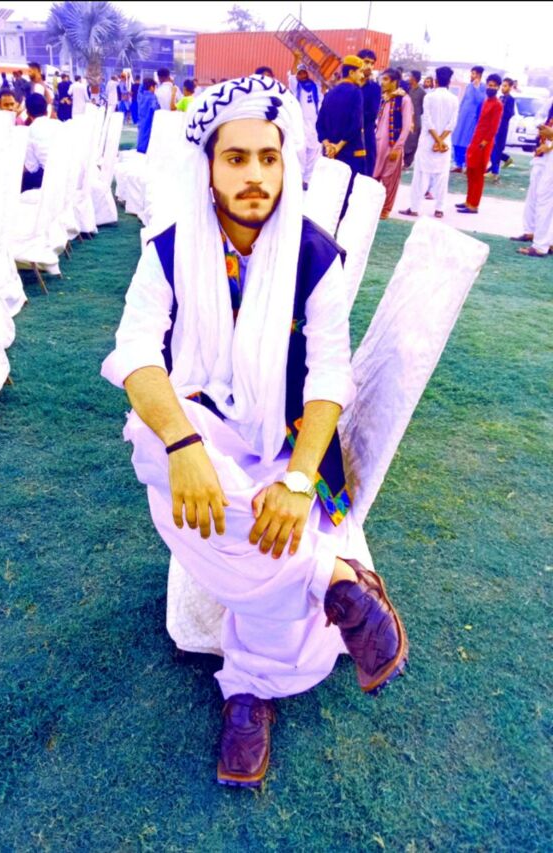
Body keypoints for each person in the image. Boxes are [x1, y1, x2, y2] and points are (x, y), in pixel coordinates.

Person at [101, 74, 408, 789]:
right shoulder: (168, 249)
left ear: (285, 163)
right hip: (204, 440)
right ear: (208, 166)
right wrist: (185, 447)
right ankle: (330, 578)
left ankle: (250, 687)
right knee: (149, 435)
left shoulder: (314, 256)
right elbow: (136, 352)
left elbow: (329, 376)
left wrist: (298, 481)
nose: (255, 176)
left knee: (256, 540)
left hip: (286, 448)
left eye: (269, 158)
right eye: (236, 158)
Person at [399, 66, 459, 219]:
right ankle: (439, 209)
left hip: (428, 141)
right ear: (449, 82)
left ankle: (414, 208)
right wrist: (441, 141)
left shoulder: (429, 97)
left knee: (420, 175)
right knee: (442, 176)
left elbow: (427, 121)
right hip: (444, 143)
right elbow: (452, 123)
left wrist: (436, 140)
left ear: (436, 81)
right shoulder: (454, 99)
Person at [316, 55, 366, 218]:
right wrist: (338, 146)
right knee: (349, 195)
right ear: (351, 72)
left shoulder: (330, 93)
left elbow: (320, 123)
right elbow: (355, 125)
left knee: (330, 194)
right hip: (350, 153)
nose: (362, 75)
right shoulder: (356, 92)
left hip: (330, 154)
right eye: (360, 71)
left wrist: (328, 145)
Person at [456, 73, 503, 214]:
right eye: (489, 85)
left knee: (477, 173)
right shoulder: (485, 101)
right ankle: (469, 201)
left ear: (498, 87)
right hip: (475, 139)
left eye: (494, 86)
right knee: (470, 171)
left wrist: (484, 142)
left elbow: (494, 127)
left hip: (484, 143)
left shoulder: (498, 105)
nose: (491, 88)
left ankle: (474, 205)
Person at [510, 103, 553, 257]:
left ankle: (541, 245)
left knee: (545, 198)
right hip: (545, 154)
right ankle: (540, 238)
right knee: (538, 195)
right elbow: (541, 117)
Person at [373, 68, 413, 220]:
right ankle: (373, 205)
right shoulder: (384, 98)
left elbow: (406, 126)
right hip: (378, 144)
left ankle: (385, 209)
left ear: (394, 81)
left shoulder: (404, 100)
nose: (382, 83)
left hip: (392, 145)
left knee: (389, 180)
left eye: (386, 80)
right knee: (373, 176)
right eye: (382, 79)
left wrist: (397, 148)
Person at [288, 51, 321, 187]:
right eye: (300, 73)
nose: (302, 75)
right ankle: (299, 177)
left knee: (314, 152)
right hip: (301, 124)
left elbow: (322, 78)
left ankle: (307, 179)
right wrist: (296, 59)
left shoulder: (315, 86)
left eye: (304, 73)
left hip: (314, 124)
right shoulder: (296, 87)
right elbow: (291, 75)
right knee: (300, 151)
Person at [451, 65, 485, 172]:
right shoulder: (469, 86)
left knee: (467, 142)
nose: (471, 75)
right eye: (471, 73)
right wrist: (458, 113)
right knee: (456, 140)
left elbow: (480, 100)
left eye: (473, 74)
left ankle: (467, 164)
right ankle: (458, 164)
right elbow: (464, 100)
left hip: (471, 119)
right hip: (462, 117)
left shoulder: (482, 87)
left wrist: (476, 88)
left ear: (479, 75)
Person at [22, 93, 56, 192]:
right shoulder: (59, 124)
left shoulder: (30, 131)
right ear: (46, 111)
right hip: (69, 173)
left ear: (27, 113)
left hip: (49, 177)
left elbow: (32, 167)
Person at [357, 48, 380, 177]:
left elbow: (371, 114)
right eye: (366, 62)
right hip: (344, 138)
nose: (369, 66)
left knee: (365, 175)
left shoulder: (375, 88)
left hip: (366, 136)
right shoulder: (348, 85)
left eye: (372, 63)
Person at [488, 77, 515, 181]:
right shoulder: (500, 97)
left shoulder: (510, 99)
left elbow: (509, 114)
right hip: (495, 126)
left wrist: (500, 112)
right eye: (502, 86)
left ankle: (495, 172)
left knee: (496, 149)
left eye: (505, 86)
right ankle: (505, 159)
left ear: (510, 87)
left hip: (502, 127)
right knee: (492, 148)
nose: (503, 88)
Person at [403, 70, 426, 169]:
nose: (409, 78)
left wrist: (416, 113)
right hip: (405, 118)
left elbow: (423, 108)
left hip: (416, 120)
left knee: (412, 141)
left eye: (410, 76)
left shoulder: (422, 92)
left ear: (414, 78)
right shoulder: (407, 89)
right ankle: (402, 161)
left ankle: (407, 163)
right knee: (404, 139)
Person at [136, 78, 160, 153]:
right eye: (154, 87)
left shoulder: (141, 96)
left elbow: (140, 89)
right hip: (149, 120)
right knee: (147, 136)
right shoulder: (152, 97)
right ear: (151, 87)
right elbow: (155, 108)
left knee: (141, 135)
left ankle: (140, 148)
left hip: (141, 119)